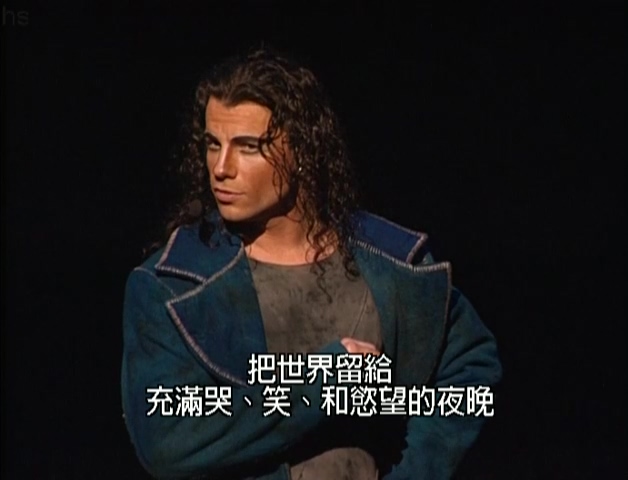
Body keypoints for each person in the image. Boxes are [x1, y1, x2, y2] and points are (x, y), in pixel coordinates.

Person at [121, 47, 502, 480]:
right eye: (213, 145)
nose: (221, 168)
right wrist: (322, 382)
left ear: (301, 149)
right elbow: (166, 437)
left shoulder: (390, 262)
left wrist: (416, 471)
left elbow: (471, 370)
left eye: (248, 147)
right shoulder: (174, 284)